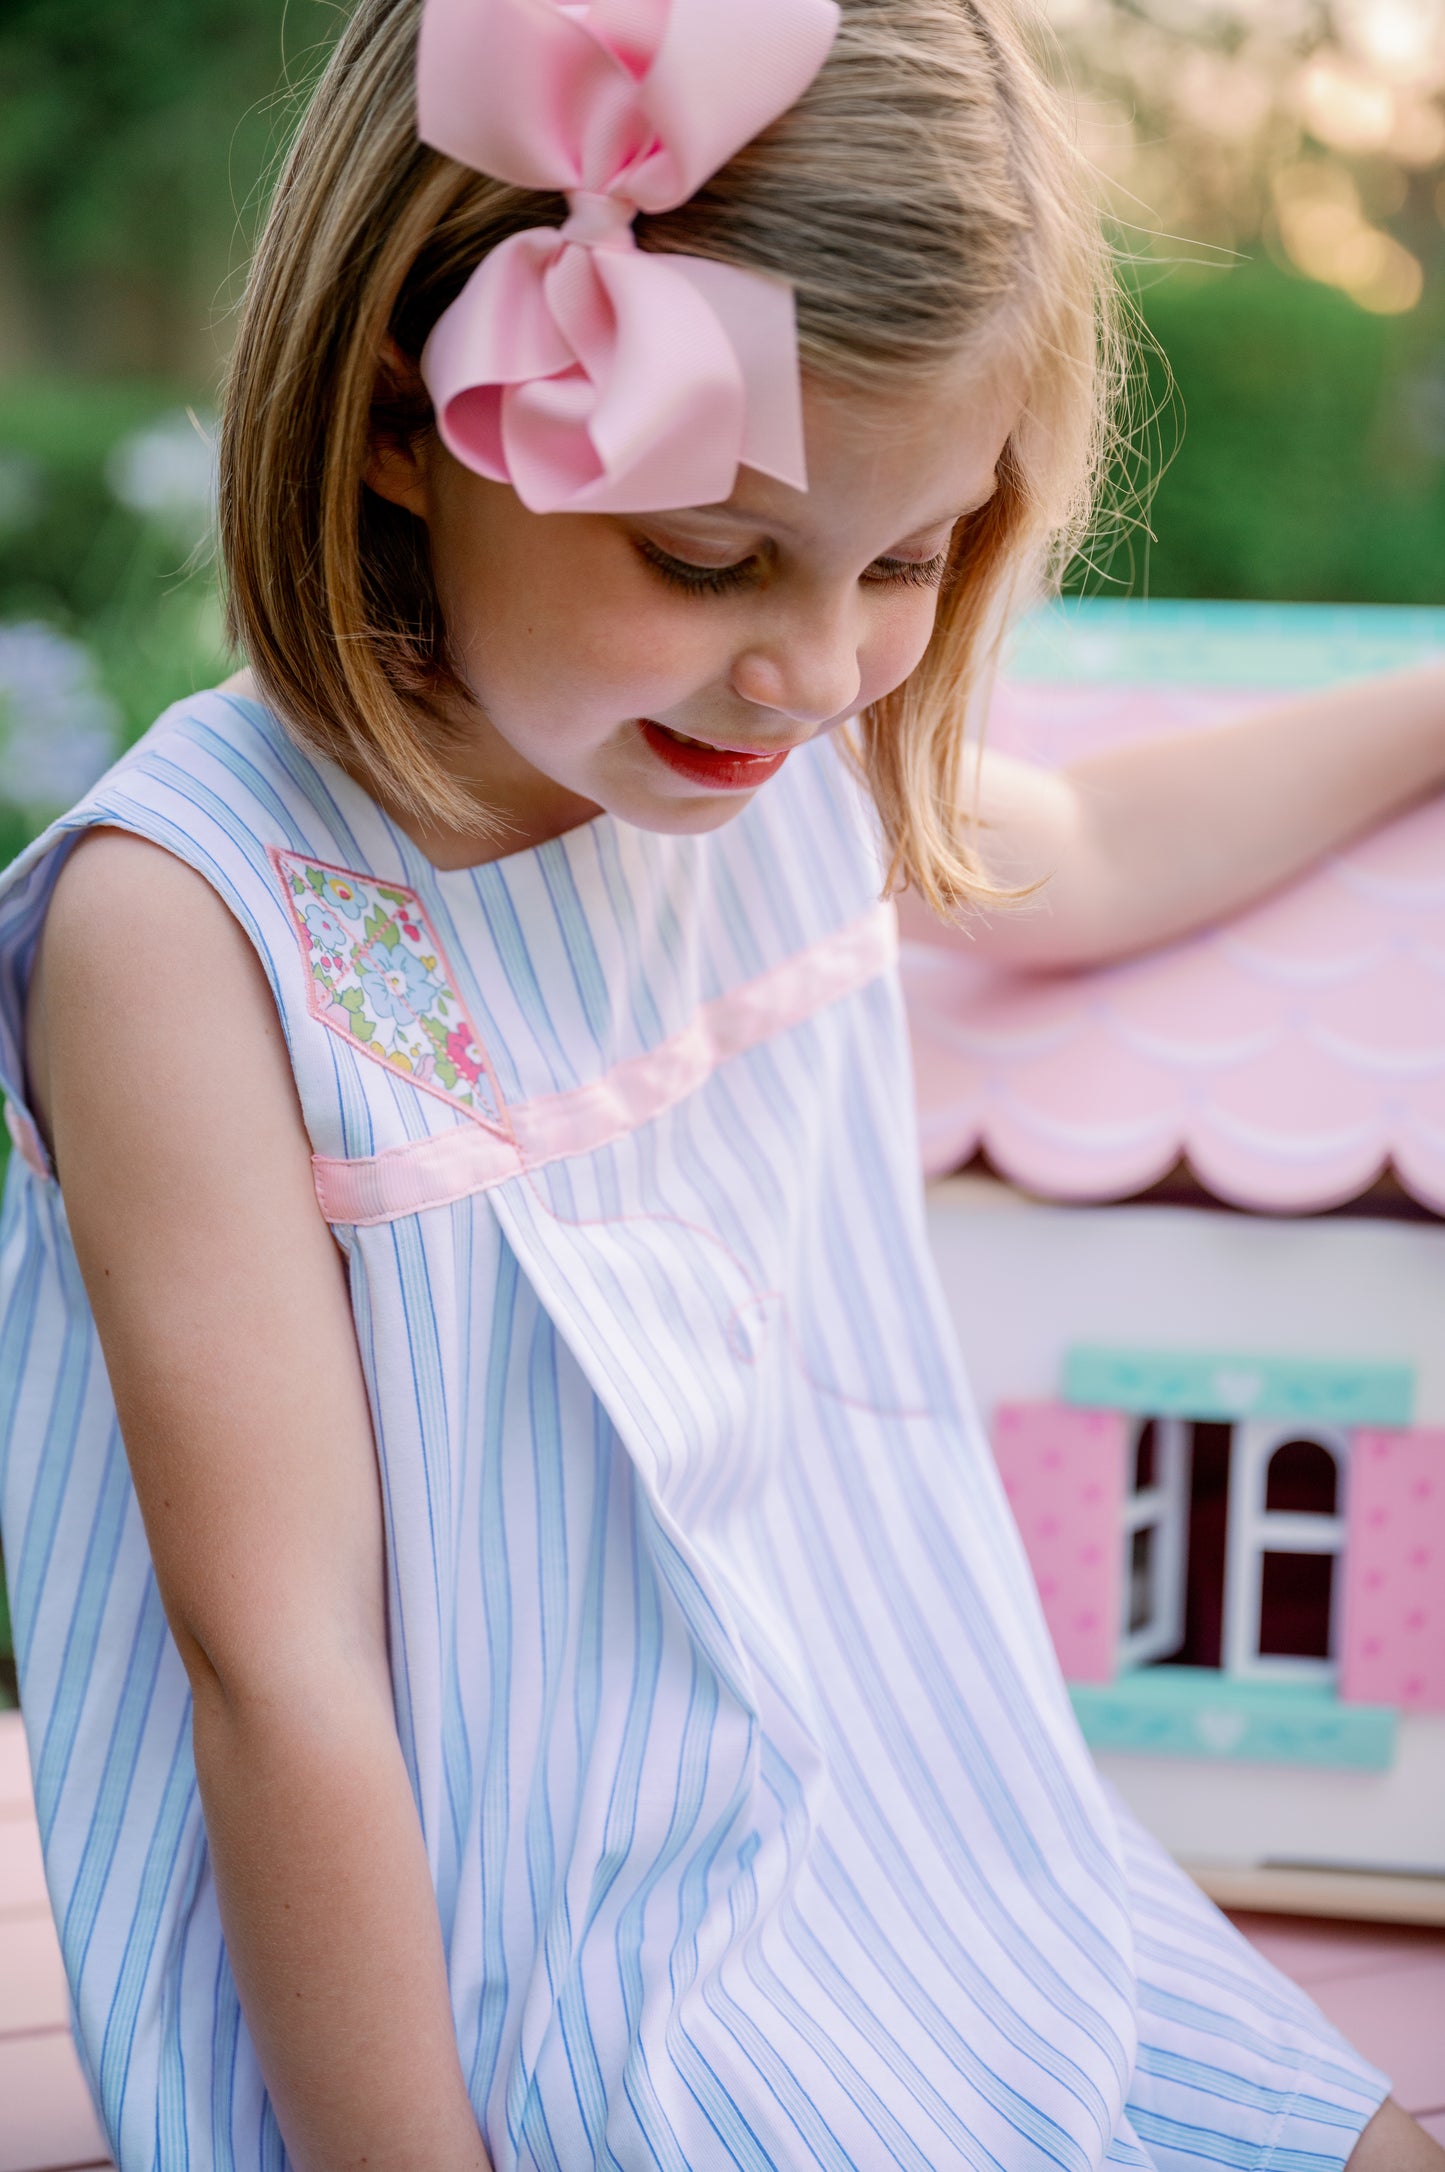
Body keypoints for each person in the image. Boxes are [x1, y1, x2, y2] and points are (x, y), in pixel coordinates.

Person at [0, 0, 1441, 2164]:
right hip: (529, 2001)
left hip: (926, 1884)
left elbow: (1104, 848)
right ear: (410, 419)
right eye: (705, 560)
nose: (819, 665)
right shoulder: (191, 933)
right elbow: (278, 1671)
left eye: (908, 555)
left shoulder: (764, 775)